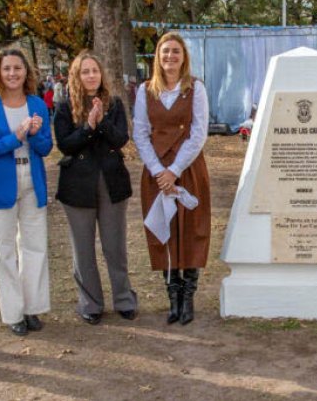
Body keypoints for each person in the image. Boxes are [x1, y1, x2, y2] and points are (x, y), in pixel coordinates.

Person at [0, 48, 53, 336]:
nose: (12, 74)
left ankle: (33, 308)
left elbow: (45, 148)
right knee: (4, 252)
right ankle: (13, 313)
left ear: (26, 72)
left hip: (32, 181)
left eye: (17, 68)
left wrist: (34, 134)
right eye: (7, 69)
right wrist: (15, 137)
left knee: (35, 248)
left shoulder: (37, 104)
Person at [133, 32, 211, 326]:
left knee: (190, 229)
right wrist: (158, 171)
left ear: (184, 57)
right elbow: (140, 133)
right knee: (164, 231)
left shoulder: (196, 89)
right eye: (165, 52)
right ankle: (173, 298)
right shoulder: (145, 90)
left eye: (175, 52)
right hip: (156, 171)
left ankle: (188, 298)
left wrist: (174, 170)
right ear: (158, 56)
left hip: (187, 169)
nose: (170, 57)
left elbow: (198, 134)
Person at [55, 51, 137, 325]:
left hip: (111, 182)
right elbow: (65, 144)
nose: (91, 75)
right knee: (83, 248)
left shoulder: (113, 104)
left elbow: (121, 139)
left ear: (101, 73)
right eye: (85, 71)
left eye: (94, 70)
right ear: (76, 76)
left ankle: (124, 298)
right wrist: (88, 126)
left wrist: (101, 123)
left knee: (115, 246)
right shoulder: (65, 107)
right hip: (78, 185)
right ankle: (90, 303)